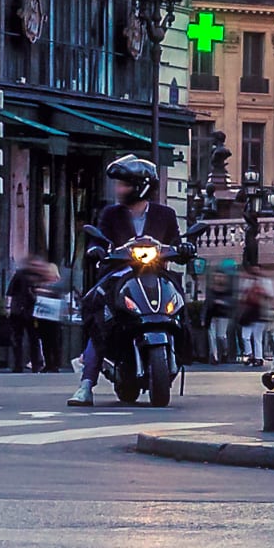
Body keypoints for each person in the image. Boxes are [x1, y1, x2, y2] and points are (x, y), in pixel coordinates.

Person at [68, 156, 183, 405]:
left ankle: (181, 347)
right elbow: (97, 239)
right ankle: (86, 385)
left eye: (124, 184)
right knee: (99, 316)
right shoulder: (110, 214)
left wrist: (185, 247)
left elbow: (176, 241)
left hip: (156, 274)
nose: (119, 189)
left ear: (140, 185)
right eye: (119, 184)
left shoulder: (165, 214)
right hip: (119, 275)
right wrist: (96, 249)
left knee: (179, 302)